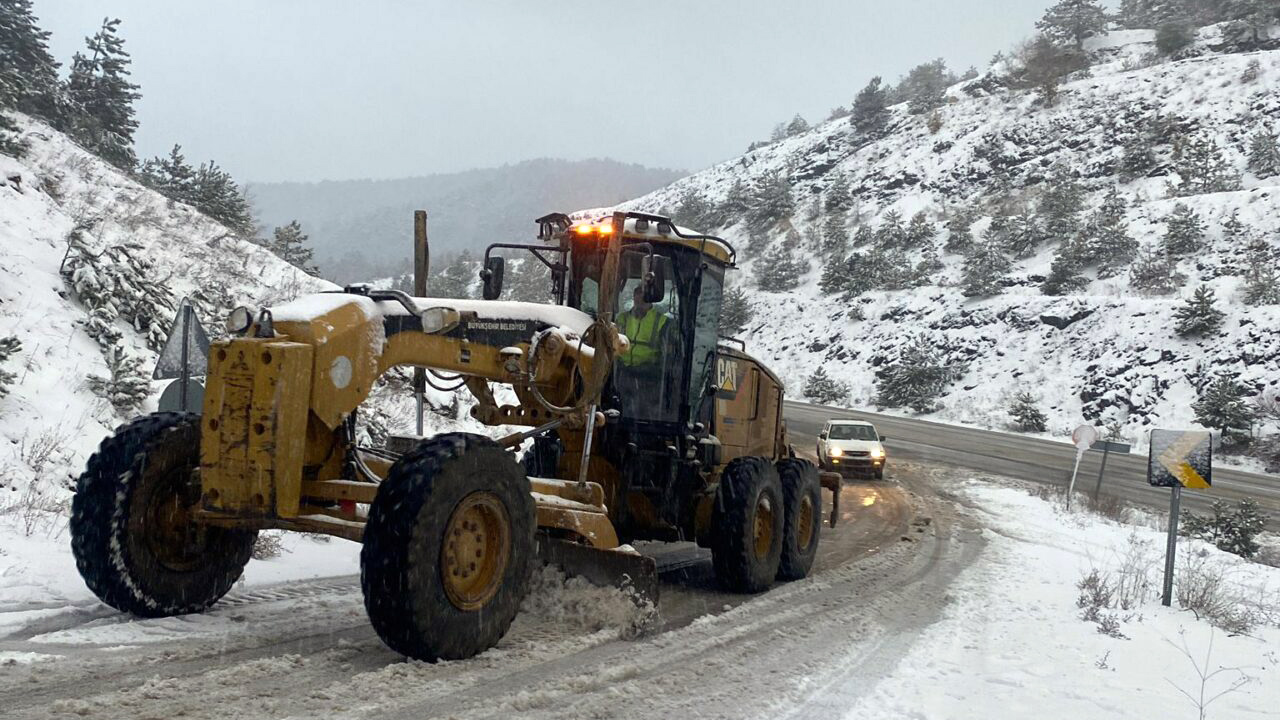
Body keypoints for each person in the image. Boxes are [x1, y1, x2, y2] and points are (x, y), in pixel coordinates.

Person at [618, 285, 669, 369]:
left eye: (643, 297)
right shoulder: (622, 319)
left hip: (649, 372)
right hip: (621, 368)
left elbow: (668, 352)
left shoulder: (662, 322)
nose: (639, 300)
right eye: (637, 295)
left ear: (650, 299)